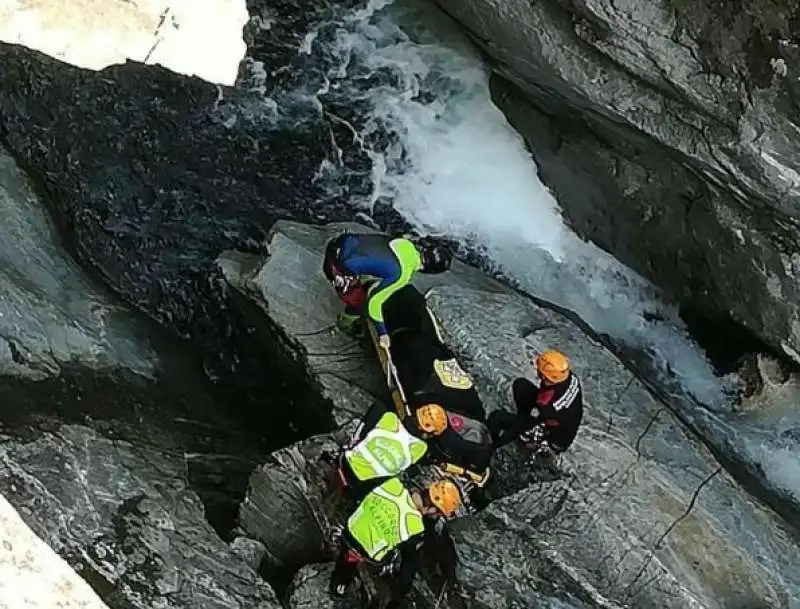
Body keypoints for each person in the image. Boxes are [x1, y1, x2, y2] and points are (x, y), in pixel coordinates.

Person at [329, 476, 461, 608]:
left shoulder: (392, 484)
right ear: (433, 509)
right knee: (402, 553)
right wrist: (397, 599)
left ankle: (339, 585)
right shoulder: (415, 527)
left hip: (350, 529)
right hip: (368, 555)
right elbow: (409, 567)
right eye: (438, 513)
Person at [322, 232, 453, 345]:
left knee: (372, 271)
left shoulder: (405, 243)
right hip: (337, 266)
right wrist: (382, 333)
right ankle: (344, 325)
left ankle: (357, 281)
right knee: (360, 302)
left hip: (340, 243)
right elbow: (373, 305)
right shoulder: (402, 274)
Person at [319, 400, 448, 502]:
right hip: (359, 488)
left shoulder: (388, 417)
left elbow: (359, 434)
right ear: (428, 434)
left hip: (344, 463)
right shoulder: (420, 449)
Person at [488, 350, 584, 457]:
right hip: (562, 422)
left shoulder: (546, 405)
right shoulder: (569, 376)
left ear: (544, 376)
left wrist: (495, 445)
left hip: (554, 439)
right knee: (521, 386)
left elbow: (520, 426)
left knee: (497, 418)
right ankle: (523, 418)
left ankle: (491, 444)